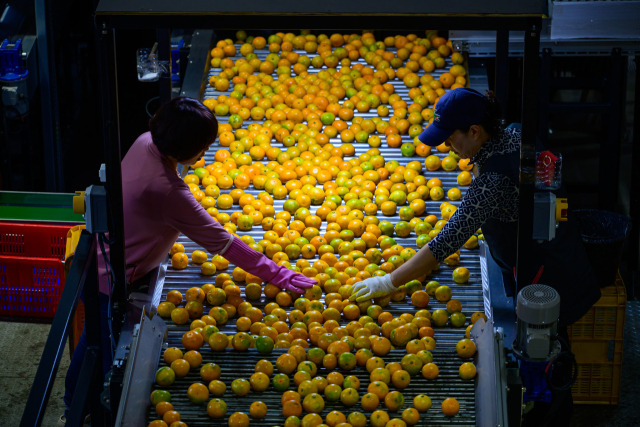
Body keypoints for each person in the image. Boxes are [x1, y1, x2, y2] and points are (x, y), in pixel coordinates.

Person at [349, 87, 600, 426]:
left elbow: (445, 242)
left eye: (451, 139)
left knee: (545, 353)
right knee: (549, 344)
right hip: (553, 254)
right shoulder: (512, 132)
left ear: (474, 131)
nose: (448, 148)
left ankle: (549, 413)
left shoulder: (493, 182)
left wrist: (388, 281)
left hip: (548, 276)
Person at [60, 97, 316, 426]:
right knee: (110, 361)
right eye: (203, 147)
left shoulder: (145, 142)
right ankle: (89, 415)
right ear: (187, 148)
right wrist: (279, 274)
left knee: (89, 345)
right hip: (114, 281)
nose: (205, 154)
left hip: (98, 262)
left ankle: (72, 408)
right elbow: (222, 242)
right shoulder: (166, 191)